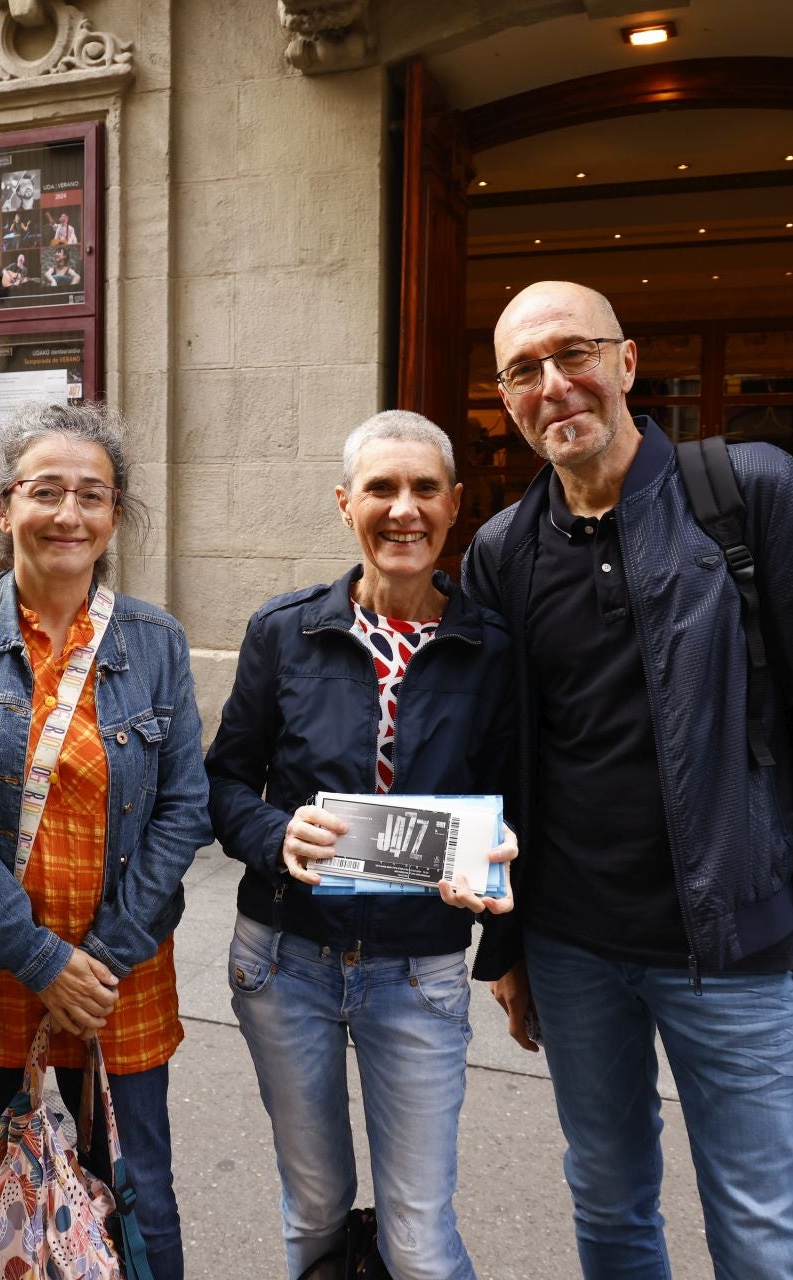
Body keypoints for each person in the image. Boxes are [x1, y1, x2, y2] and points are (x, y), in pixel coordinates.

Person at [462, 280, 793, 1279]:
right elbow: (495, 763)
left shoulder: (749, 492)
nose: (553, 382)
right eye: (524, 370)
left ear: (625, 362)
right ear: (506, 398)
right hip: (575, 950)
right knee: (609, 1207)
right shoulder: (501, 551)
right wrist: (509, 942)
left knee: (759, 1233)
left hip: (735, 945)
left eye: (572, 353)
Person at [0, 401, 210, 1280]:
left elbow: (185, 808)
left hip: (117, 976)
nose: (70, 514)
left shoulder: (155, 641)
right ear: (3, 506)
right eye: (47, 491)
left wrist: (96, 960)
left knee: (138, 1185)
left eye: (92, 495)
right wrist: (39, 958)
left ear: (114, 513)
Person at [206, 410, 516, 1280]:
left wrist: (493, 864)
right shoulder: (285, 631)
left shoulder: (491, 646)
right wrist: (275, 831)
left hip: (418, 973)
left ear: (455, 506)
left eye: (424, 489)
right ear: (347, 505)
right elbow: (222, 783)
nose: (403, 509)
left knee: (417, 1239)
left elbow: (511, 799)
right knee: (312, 1210)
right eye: (381, 488)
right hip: (284, 961)